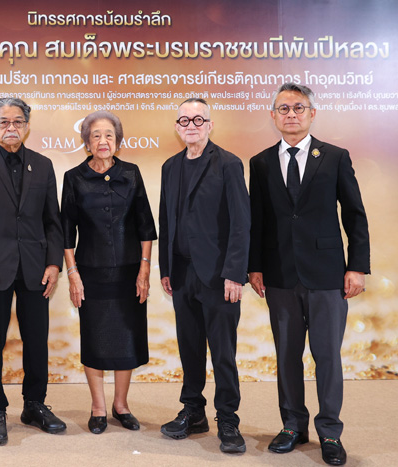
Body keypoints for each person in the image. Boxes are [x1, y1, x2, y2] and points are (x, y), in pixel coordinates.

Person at [248, 83, 370, 466]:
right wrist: (254, 266)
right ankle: (292, 426)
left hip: (327, 275)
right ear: (273, 115)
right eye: (283, 108)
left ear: (312, 113)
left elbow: (355, 215)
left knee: (327, 356)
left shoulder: (334, 157)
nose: (291, 115)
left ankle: (330, 432)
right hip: (279, 275)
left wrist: (357, 266)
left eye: (298, 108)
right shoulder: (261, 162)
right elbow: (257, 221)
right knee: (287, 355)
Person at [0, 97, 65, 445]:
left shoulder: (42, 165)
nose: (11, 128)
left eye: (18, 121)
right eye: (3, 122)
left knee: (36, 340)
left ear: (27, 126)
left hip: (35, 267)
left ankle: (34, 404)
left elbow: (52, 221)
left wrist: (54, 263)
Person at [158, 98, 250, 453]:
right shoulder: (170, 167)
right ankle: (193, 411)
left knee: (223, 352)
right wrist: (166, 268)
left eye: (198, 119)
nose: (191, 125)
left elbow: (241, 223)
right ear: (177, 127)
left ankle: (228, 418)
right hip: (182, 273)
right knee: (190, 347)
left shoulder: (228, 163)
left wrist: (235, 274)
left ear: (210, 125)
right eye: (184, 120)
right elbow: (167, 219)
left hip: (219, 276)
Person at [60, 111, 156, 434]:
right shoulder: (74, 178)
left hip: (129, 272)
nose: (103, 141)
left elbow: (145, 226)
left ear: (118, 141)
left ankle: (121, 405)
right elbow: (66, 232)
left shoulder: (131, 173)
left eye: (109, 135)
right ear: (87, 142)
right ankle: (98, 407)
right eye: (96, 136)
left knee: (127, 337)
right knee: (95, 338)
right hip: (90, 273)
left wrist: (145, 269)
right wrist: (72, 273)